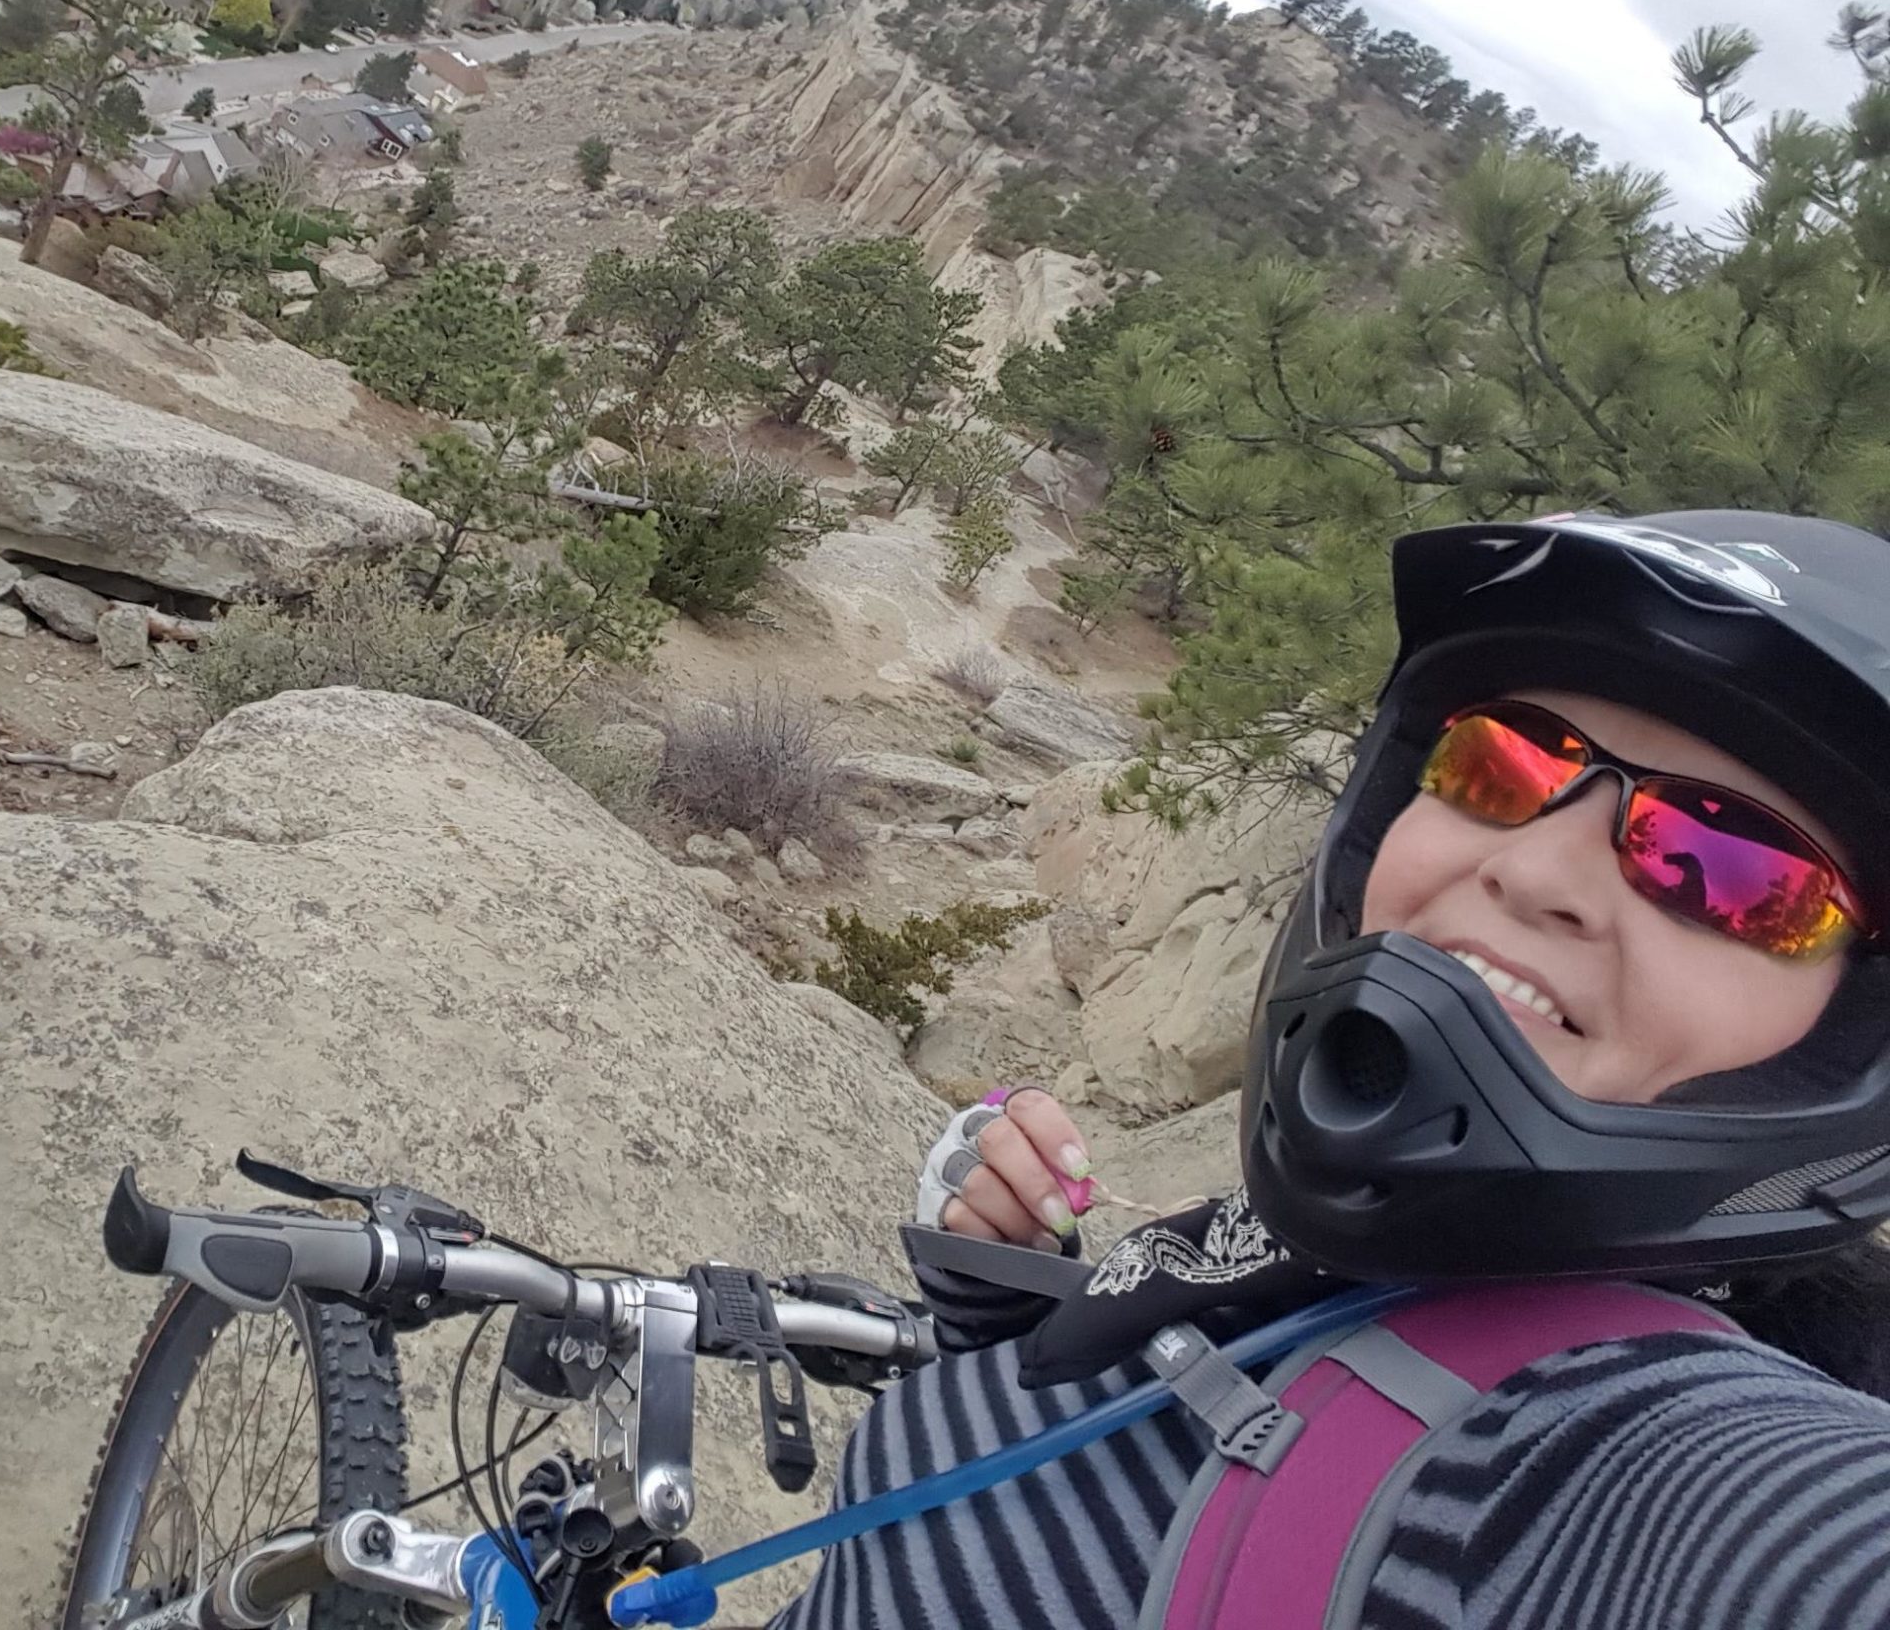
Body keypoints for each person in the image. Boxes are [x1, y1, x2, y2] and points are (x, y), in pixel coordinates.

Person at [774, 509, 1890, 1630]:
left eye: (1726, 868)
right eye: (1500, 765)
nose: (1533, 862)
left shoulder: (1677, 1470)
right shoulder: (1324, 1262)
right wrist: (1004, 1312)